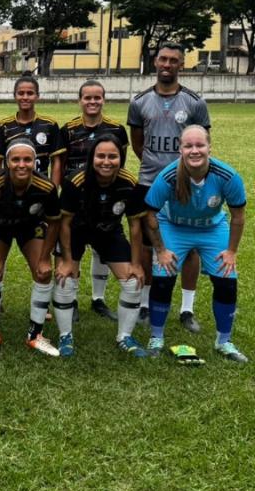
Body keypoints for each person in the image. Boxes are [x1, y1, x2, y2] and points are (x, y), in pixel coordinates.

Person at [144, 125, 247, 362]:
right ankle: (156, 337)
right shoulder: (168, 176)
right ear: (180, 148)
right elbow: (149, 215)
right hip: (174, 226)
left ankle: (224, 342)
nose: (194, 150)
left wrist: (231, 251)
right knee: (163, 277)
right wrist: (160, 250)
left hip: (211, 228)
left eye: (200, 145)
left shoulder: (228, 176)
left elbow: (238, 216)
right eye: (188, 145)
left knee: (226, 280)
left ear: (210, 147)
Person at [128, 42, 211, 331]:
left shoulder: (194, 102)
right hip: (149, 181)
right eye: (163, 58)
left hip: (186, 183)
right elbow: (137, 142)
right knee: (147, 244)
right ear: (155, 62)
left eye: (173, 60)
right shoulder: (139, 102)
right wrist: (157, 168)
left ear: (181, 65)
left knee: (190, 247)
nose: (167, 64)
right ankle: (145, 303)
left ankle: (187, 309)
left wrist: (180, 171)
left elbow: (201, 142)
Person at [56, 135, 148, 358]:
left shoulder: (129, 183)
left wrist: (136, 264)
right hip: (76, 231)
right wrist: (67, 260)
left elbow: (135, 226)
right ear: (92, 158)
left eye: (112, 156)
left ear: (121, 158)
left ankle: (124, 336)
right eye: (101, 156)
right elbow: (64, 223)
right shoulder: (75, 182)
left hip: (108, 232)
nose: (106, 162)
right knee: (65, 279)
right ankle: (65, 335)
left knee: (133, 282)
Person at [0, 140, 61, 357]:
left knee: (43, 273)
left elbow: (54, 223)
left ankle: (35, 335)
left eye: (27, 159)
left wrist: (45, 258)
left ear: (35, 161)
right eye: (16, 159)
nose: (22, 164)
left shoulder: (46, 187)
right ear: (7, 162)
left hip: (29, 227)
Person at [59, 80, 129, 320]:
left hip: (106, 199)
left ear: (104, 100)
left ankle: (98, 299)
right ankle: (73, 300)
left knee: (103, 247)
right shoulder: (68, 129)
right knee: (73, 250)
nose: (92, 102)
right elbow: (60, 164)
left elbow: (121, 165)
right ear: (79, 100)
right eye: (87, 97)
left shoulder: (117, 129)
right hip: (76, 198)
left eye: (97, 97)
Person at [0, 74, 64, 184]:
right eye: (21, 93)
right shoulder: (3, 126)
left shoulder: (50, 125)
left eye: (30, 93)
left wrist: (52, 190)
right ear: (15, 96)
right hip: (11, 189)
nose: (25, 97)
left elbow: (56, 161)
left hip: (40, 188)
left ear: (37, 96)